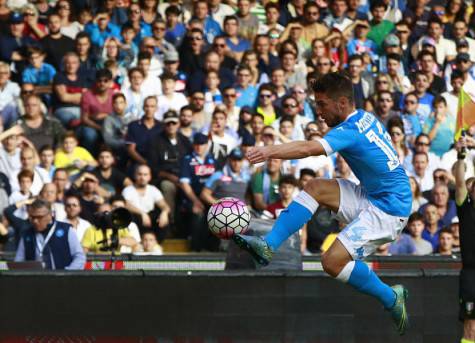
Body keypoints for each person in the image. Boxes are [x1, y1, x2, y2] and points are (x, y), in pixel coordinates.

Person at [234, 72, 411, 334]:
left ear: (341, 103)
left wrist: (268, 151)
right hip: (375, 195)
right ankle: (267, 246)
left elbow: (308, 149)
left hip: (389, 210)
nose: (318, 111)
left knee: (330, 262)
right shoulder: (363, 117)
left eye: (322, 104)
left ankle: (390, 297)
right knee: (315, 187)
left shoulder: (350, 130)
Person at [14, 199, 85, 270]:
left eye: (39, 217)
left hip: (63, 278)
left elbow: (79, 257)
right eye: (32, 217)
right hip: (36, 278)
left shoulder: (66, 230)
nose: (35, 221)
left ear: (50, 215)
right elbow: (18, 261)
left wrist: (66, 273)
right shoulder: (27, 234)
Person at [454, 135, 475, 343]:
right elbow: (460, 182)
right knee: (471, 328)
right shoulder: (465, 208)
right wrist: (461, 156)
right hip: (472, 275)